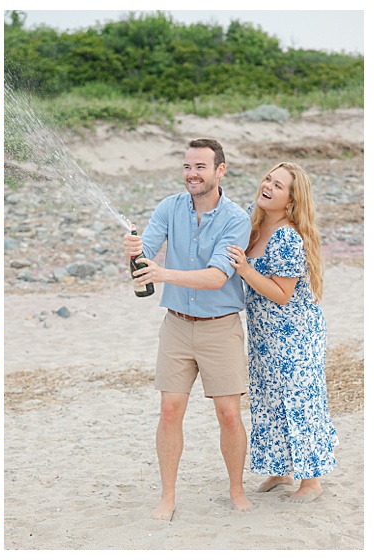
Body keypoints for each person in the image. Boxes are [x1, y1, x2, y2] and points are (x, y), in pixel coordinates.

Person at [123, 138, 253, 520]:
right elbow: (142, 256)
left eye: (200, 167)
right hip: (176, 325)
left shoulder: (236, 219)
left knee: (229, 414)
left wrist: (162, 274)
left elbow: (216, 277)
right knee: (169, 411)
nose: (192, 174)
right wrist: (132, 248)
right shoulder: (169, 207)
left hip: (221, 328)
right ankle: (167, 496)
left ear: (220, 171)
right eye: (187, 167)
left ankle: (236, 489)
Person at [226, 162, 336, 503]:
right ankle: (281, 469)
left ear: (290, 201)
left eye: (278, 185)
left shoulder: (286, 235)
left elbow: (282, 293)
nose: (268, 186)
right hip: (265, 334)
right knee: (269, 399)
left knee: (299, 402)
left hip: (295, 334)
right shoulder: (254, 222)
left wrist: (243, 269)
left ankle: (311, 481)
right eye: (268, 179)